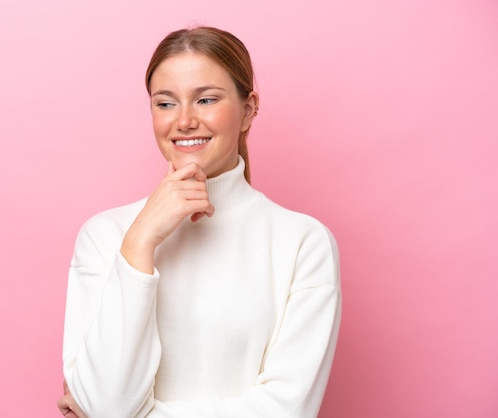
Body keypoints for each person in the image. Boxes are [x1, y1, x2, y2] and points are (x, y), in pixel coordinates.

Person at [58, 26, 341, 418]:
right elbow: (108, 401)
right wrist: (140, 241)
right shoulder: (106, 236)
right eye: (165, 103)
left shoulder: (303, 242)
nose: (185, 121)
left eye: (206, 99)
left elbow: (286, 411)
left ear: (249, 109)